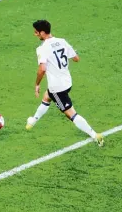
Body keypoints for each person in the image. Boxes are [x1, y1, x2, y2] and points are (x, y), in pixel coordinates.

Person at [26, 19, 104, 147]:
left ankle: (95, 135)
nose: (35, 35)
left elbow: (42, 69)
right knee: (47, 96)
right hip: (67, 82)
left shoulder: (42, 49)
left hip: (57, 88)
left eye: (36, 33)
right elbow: (76, 58)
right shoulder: (62, 41)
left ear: (43, 32)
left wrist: (37, 84)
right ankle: (33, 121)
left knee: (70, 114)